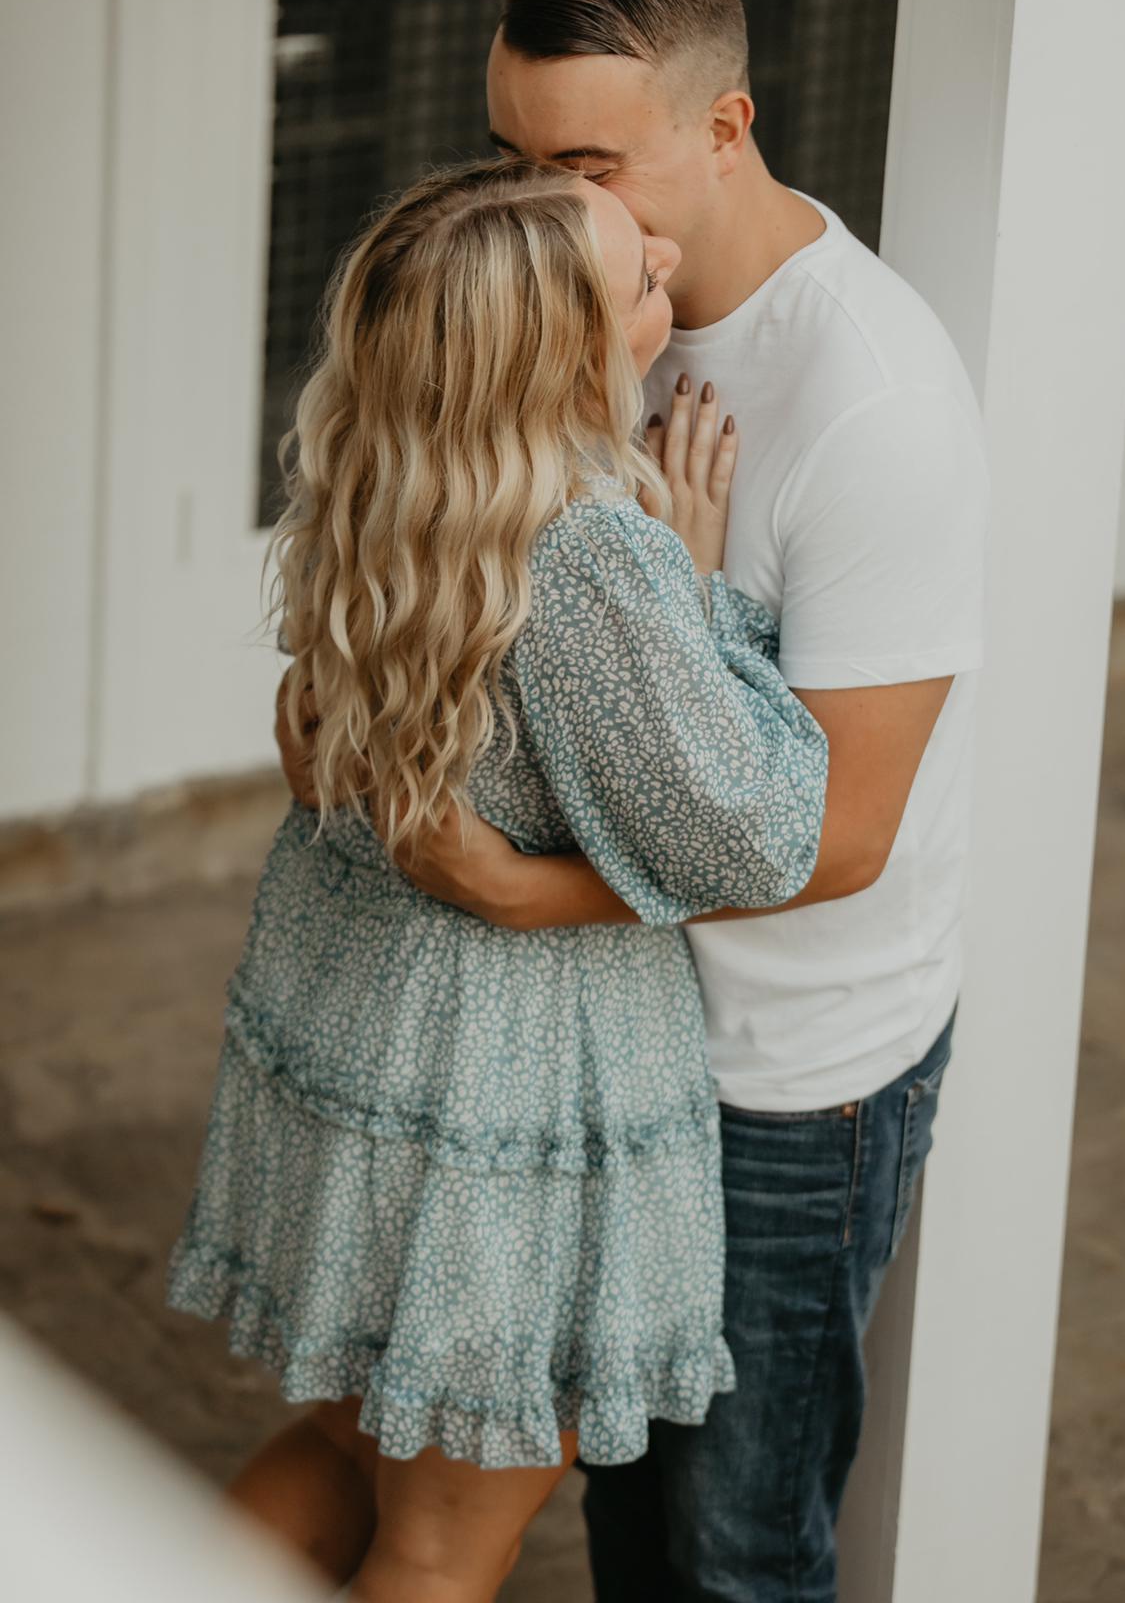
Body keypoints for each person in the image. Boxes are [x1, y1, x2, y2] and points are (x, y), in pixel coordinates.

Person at [288, 0, 990, 1603]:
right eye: (511, 156)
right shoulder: (543, 302)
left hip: (773, 1076)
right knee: (609, 1533)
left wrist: (514, 892)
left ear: (725, 126)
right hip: (574, 1063)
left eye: (587, 167)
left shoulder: (874, 405)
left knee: (728, 1551)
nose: (537, 206)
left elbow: (839, 836)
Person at [165, 153, 832, 1603]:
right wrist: (697, 597)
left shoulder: (380, 466)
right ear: (568, 358)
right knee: (446, 1541)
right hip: (498, 1096)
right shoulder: (591, 556)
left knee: (348, 1450)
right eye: (638, 278)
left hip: (361, 1028)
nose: (669, 263)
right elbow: (756, 833)